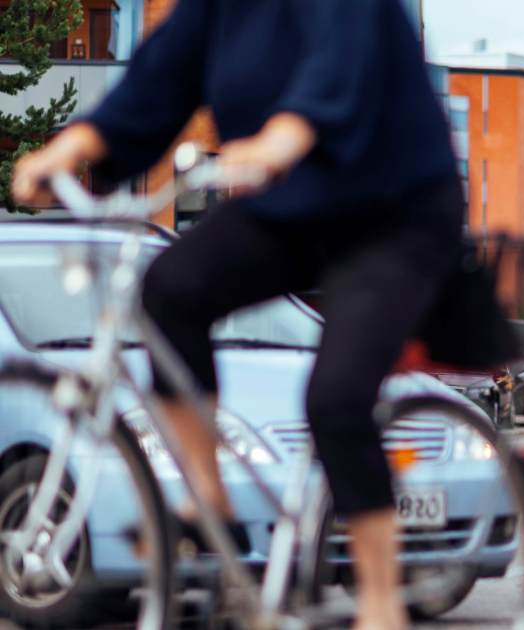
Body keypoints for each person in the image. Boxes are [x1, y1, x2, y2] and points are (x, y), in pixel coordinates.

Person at [12, 2, 470, 629]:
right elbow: (156, 79)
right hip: (294, 206)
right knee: (168, 291)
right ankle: (207, 511)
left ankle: (383, 600)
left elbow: (339, 61)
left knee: (336, 396)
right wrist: (67, 148)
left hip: (392, 213)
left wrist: (286, 134)